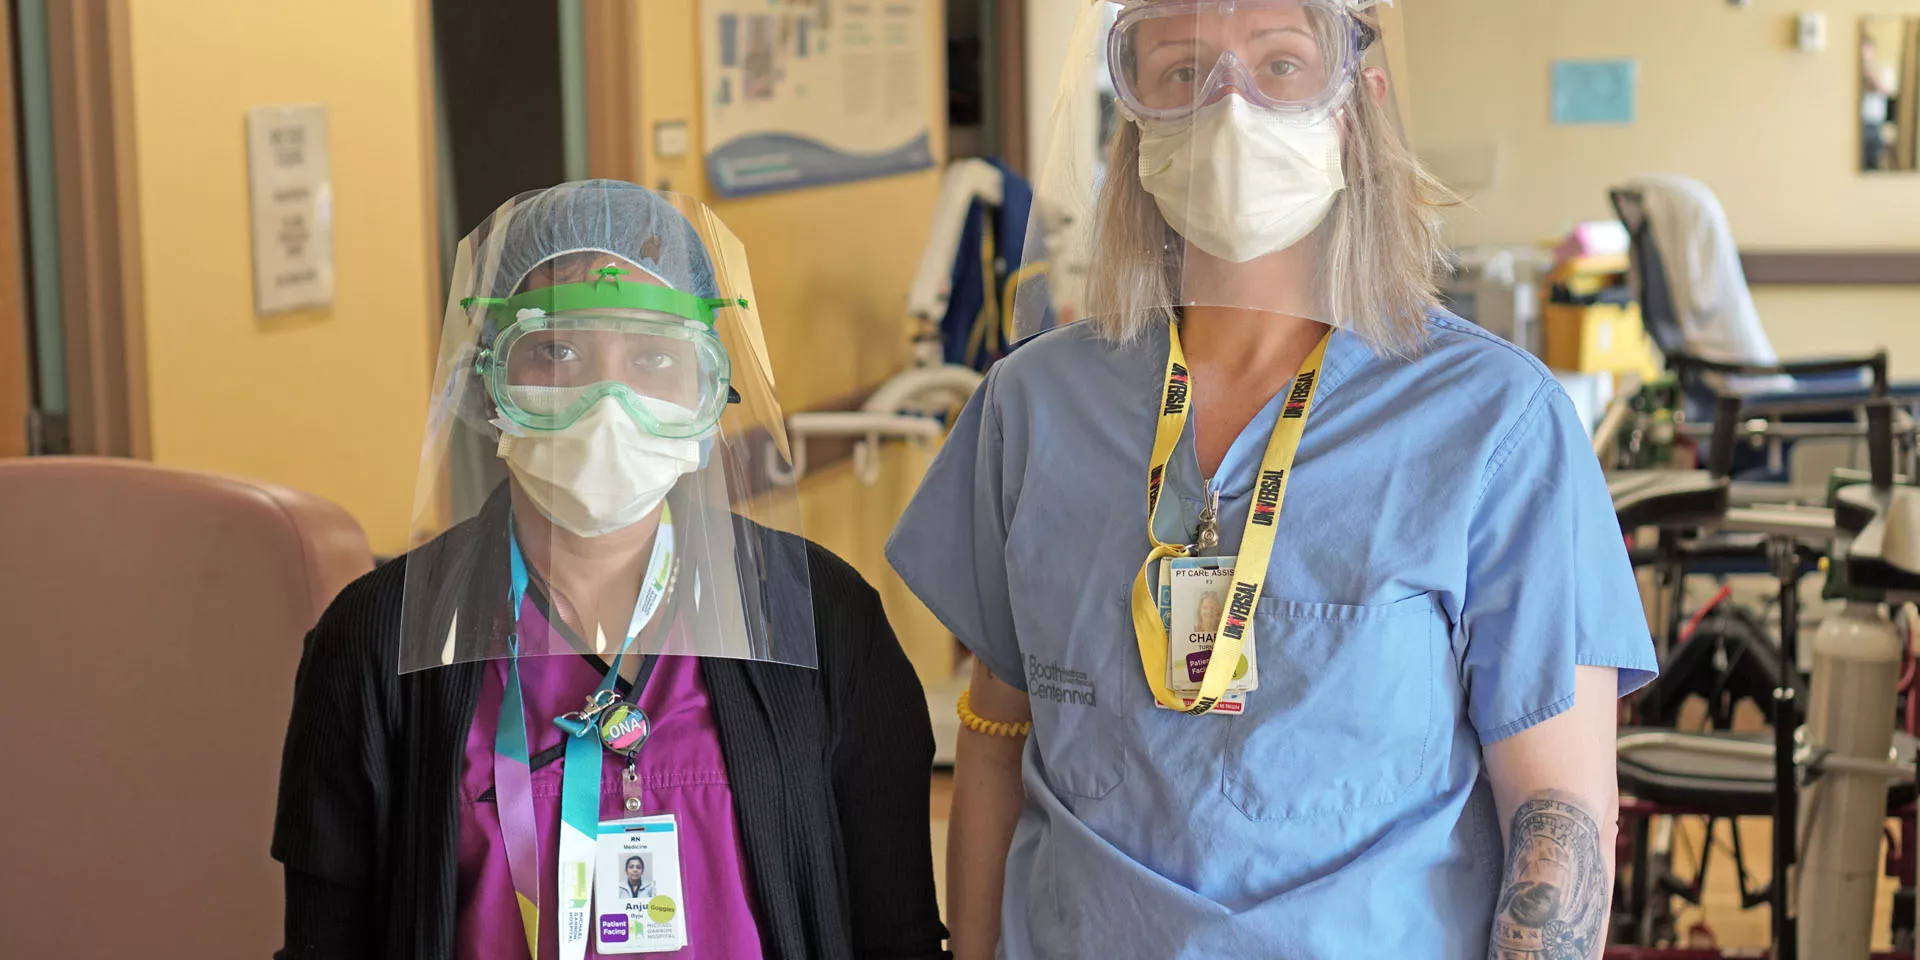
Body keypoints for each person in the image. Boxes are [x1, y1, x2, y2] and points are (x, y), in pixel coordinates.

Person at [887, 3, 1657, 958]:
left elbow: (1557, 809)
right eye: (1182, 71)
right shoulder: (1036, 407)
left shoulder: (1493, 423)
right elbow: (995, 744)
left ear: (1357, 104)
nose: (1230, 108)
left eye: (1282, 65)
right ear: (1134, 121)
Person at [274, 180, 946, 960]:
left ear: (710, 387)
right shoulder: (380, 639)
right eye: (557, 351)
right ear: (489, 379)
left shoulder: (817, 617)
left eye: (654, 356)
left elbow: (895, 931)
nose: (607, 404)